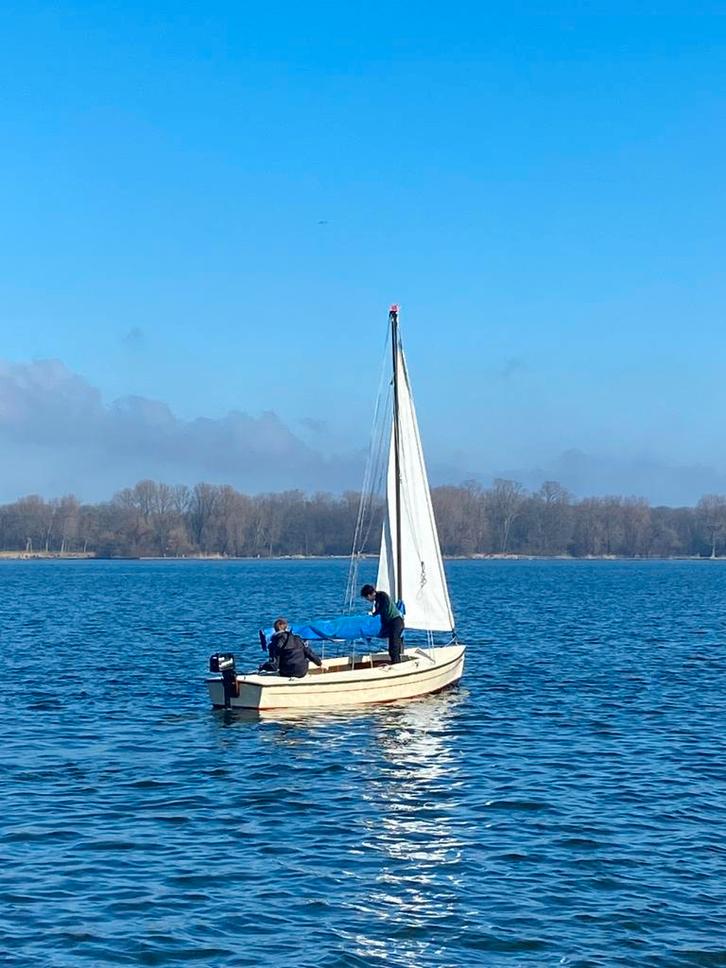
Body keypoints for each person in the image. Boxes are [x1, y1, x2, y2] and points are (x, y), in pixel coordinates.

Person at [360, 584, 404, 664]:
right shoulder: (377, 601)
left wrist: (375, 614)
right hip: (390, 623)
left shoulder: (382, 596)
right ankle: (395, 662)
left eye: (367, 598)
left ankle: (397, 665)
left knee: (394, 647)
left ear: (370, 594)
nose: (368, 600)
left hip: (396, 622)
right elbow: (379, 611)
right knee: (392, 647)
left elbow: (383, 608)